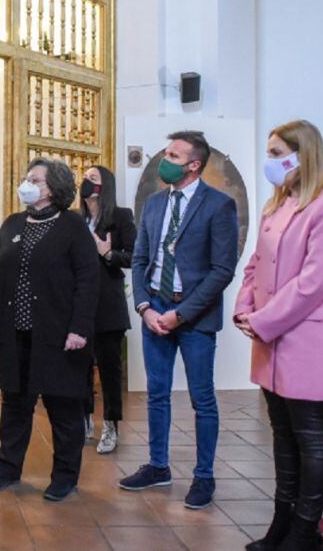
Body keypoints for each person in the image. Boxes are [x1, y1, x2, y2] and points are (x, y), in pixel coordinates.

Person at [234, 120, 323, 551]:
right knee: (282, 435)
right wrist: (244, 306)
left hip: (308, 340)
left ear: (302, 155)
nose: (268, 161)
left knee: (311, 435)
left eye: (275, 153)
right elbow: (256, 265)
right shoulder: (277, 204)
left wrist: (264, 320)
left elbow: (314, 283)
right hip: (273, 338)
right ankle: (280, 523)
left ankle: (306, 532)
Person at [120, 130, 239, 510]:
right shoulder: (154, 204)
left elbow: (222, 270)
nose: (164, 161)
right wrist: (145, 308)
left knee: (202, 399)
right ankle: (158, 466)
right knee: (157, 394)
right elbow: (140, 260)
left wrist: (180, 314)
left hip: (194, 318)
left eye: (173, 155)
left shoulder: (219, 205)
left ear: (193, 165)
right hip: (154, 311)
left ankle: (204, 476)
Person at [0, 158, 97, 502]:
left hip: (60, 337)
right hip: (15, 335)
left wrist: (79, 329)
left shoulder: (73, 226)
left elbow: (88, 282)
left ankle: (65, 476)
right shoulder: (12, 223)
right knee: (14, 406)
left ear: (53, 188)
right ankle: (7, 469)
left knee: (63, 410)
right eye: (26, 177)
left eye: (35, 180)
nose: (27, 183)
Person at [79, 165, 136, 455]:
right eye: (85, 178)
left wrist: (107, 253)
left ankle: (111, 424)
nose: (86, 182)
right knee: (80, 366)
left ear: (105, 186)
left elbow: (134, 256)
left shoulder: (120, 216)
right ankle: (85, 419)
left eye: (93, 178)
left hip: (108, 304)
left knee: (110, 369)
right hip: (79, 305)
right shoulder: (76, 220)